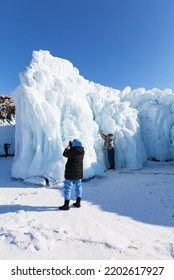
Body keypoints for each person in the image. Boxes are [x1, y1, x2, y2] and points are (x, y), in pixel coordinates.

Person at [59, 138, 85, 210]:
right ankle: (78, 202)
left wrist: (68, 147)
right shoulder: (82, 151)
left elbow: (65, 154)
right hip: (79, 172)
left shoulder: (72, 151)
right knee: (78, 187)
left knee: (68, 188)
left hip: (70, 172)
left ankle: (66, 205)